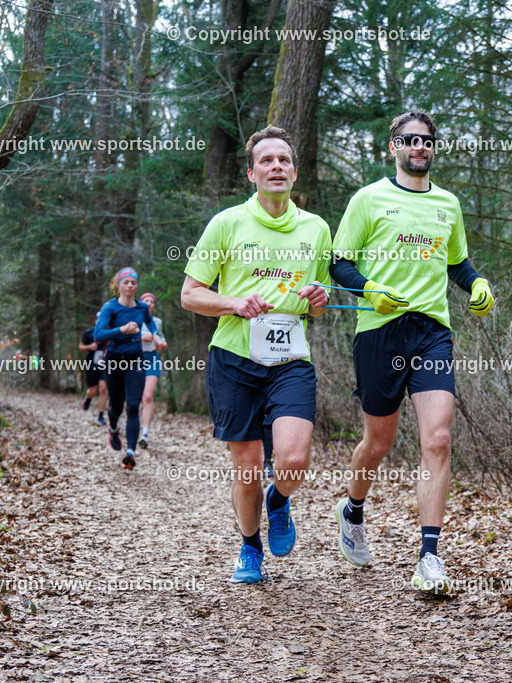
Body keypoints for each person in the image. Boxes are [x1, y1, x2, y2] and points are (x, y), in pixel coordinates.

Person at [329, 111, 495, 594]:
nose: (419, 147)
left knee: (438, 439)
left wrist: (477, 283)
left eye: (426, 141)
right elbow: (339, 263)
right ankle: (353, 509)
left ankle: (429, 556)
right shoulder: (368, 199)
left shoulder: (448, 204)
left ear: (434, 149)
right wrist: (370, 289)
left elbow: (458, 263)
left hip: (431, 331)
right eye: (410, 140)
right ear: (393, 147)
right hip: (379, 329)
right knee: (378, 443)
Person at [180, 125, 332, 584]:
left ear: (295, 172)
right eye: (266, 161)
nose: (276, 167)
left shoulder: (316, 228)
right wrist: (233, 303)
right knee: (246, 468)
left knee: (293, 459)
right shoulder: (227, 224)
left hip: (290, 359)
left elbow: (317, 297)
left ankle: (279, 500)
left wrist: (319, 298)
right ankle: (250, 548)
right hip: (234, 358)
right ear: (251, 173)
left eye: (284, 160)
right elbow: (190, 295)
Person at [94, 268, 159, 470]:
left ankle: (130, 452)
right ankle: (113, 426)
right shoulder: (110, 308)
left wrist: (156, 336)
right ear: (118, 285)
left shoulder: (141, 308)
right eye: (126, 282)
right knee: (116, 407)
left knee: (132, 405)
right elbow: (98, 335)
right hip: (114, 359)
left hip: (135, 359)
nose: (130, 285)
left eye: (134, 282)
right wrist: (121, 330)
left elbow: (150, 324)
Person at [138, 292, 167, 448]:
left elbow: (160, 337)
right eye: (146, 301)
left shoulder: (158, 322)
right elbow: (125, 337)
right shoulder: (134, 318)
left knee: (148, 397)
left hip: (153, 359)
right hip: (135, 359)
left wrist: (162, 343)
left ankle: (145, 434)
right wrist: (144, 337)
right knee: (134, 398)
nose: (149, 303)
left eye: (152, 301)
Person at [79, 312, 109, 425]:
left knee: (103, 389)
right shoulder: (89, 333)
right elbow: (80, 347)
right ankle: (88, 398)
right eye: (99, 319)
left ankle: (101, 416)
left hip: (105, 365)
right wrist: (89, 347)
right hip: (92, 365)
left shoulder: (109, 333)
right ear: (96, 320)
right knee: (92, 390)